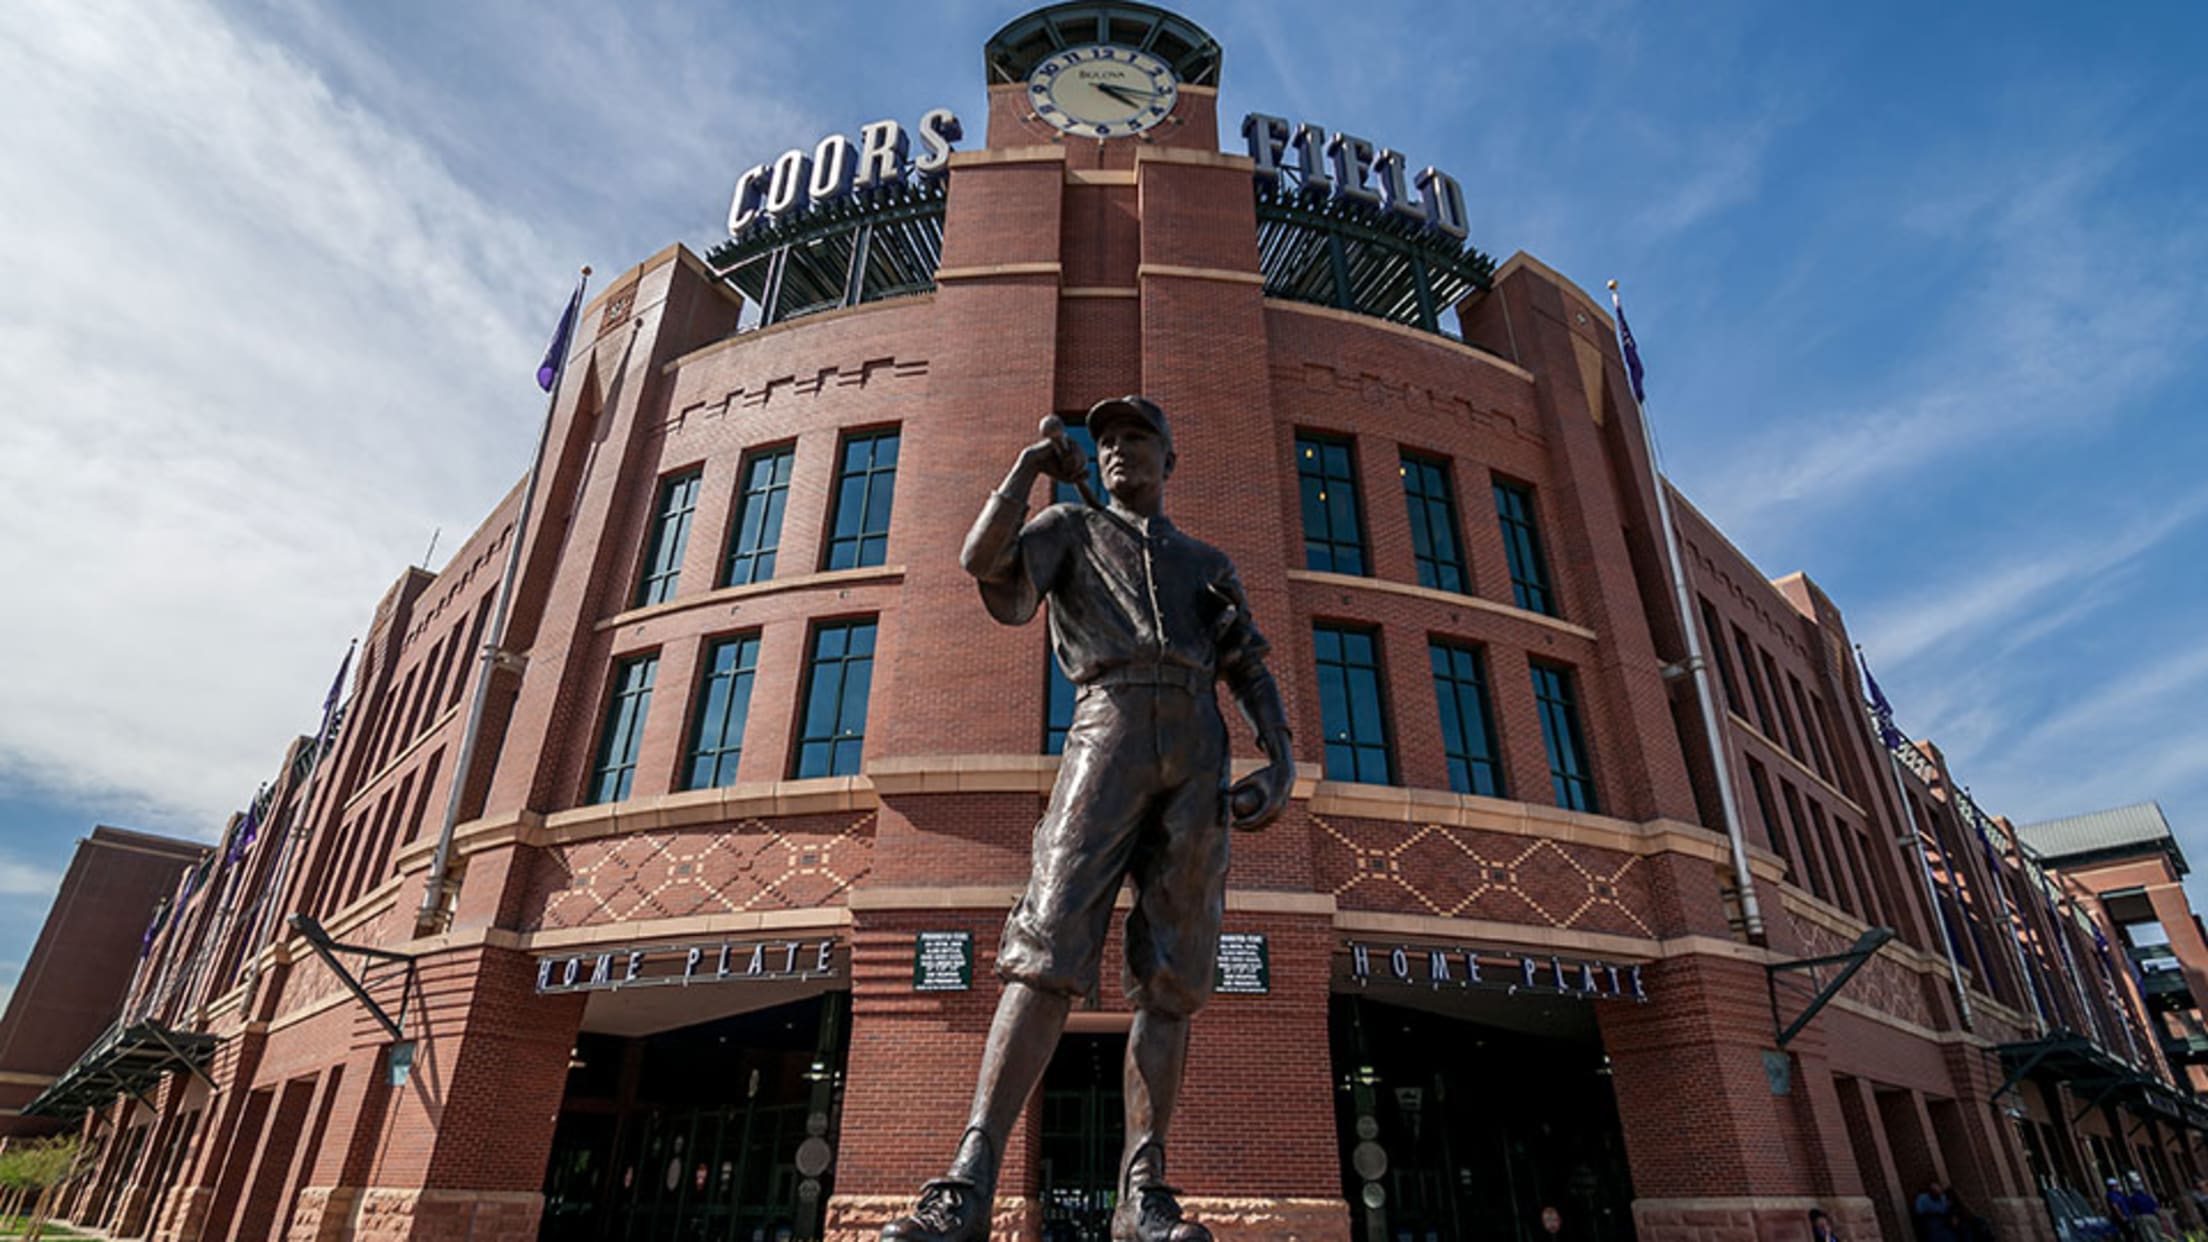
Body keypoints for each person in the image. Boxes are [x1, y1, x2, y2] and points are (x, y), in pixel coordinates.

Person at [880, 397, 1296, 1242]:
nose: (1117, 452)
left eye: (1136, 440)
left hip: (1197, 745)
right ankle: (968, 1179)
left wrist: (1281, 756)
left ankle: (1143, 1191)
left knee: (1172, 975)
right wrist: (1032, 469)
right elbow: (981, 561)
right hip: (1105, 726)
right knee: (1045, 949)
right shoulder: (1068, 526)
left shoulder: (1206, 561)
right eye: (1104, 441)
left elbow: (1245, 661)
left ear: (1168, 459)